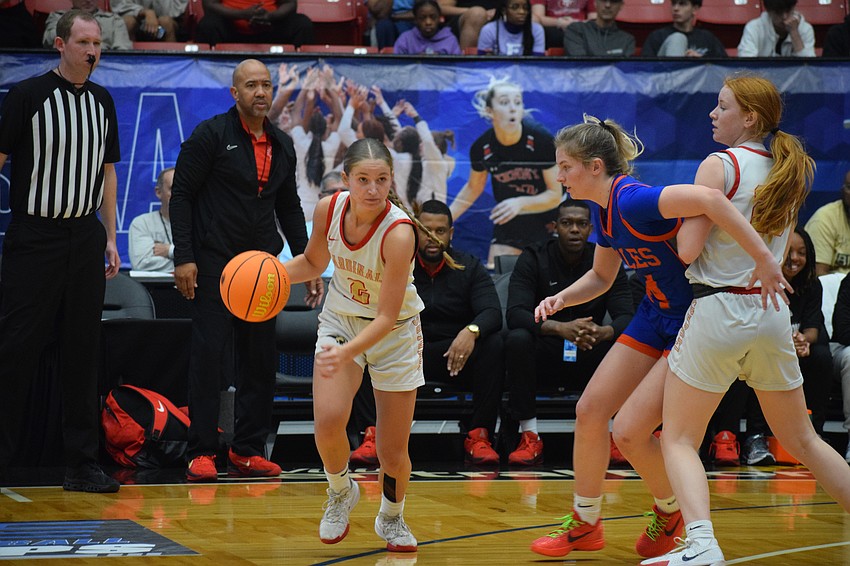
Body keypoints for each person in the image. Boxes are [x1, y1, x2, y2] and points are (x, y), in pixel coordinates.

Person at [529, 112, 789, 560]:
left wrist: (765, 259)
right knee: (590, 410)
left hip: (693, 317)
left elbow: (710, 198)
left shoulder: (633, 199)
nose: (559, 176)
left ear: (594, 166)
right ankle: (586, 523)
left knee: (630, 431)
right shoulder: (602, 208)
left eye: (565, 166)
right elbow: (600, 277)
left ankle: (671, 511)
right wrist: (562, 299)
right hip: (654, 314)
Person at [643, 76, 850, 566]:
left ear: (750, 117)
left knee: (677, 437)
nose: (713, 115)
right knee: (803, 438)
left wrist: (663, 227)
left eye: (722, 107)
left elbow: (689, 250)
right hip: (772, 311)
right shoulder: (787, 168)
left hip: (719, 307)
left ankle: (701, 542)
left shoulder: (719, 165)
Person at [282, 138, 443, 553]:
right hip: (341, 319)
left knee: (391, 452)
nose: (373, 189)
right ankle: (340, 492)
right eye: (363, 179)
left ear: (392, 180)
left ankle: (392, 516)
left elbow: (388, 317)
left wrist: (348, 352)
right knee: (328, 420)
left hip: (395, 332)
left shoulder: (399, 233)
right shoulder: (328, 210)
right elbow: (315, 263)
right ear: (346, 179)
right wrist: (273, 275)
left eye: (382, 179)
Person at [170, 59, 315, 483]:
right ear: (234, 93)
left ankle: (248, 449)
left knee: (259, 361)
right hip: (215, 264)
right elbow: (181, 196)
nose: (261, 92)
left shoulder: (282, 144)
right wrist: (184, 257)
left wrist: (308, 264)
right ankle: (201, 451)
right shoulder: (211, 135)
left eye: (267, 85)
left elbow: (289, 207)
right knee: (209, 359)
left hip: (262, 270)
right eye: (251, 85)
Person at [0, 9, 121, 493]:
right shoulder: (27, 95)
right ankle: (4, 458)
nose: (93, 51)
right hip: (34, 237)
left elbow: (109, 172)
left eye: (98, 44)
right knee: (15, 350)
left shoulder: (103, 101)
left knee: (83, 352)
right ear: (60, 44)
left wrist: (110, 237)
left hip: (84, 236)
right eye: (85, 42)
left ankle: (81, 464)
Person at [351, 199, 504, 466]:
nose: (433, 237)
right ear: (414, 231)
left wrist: (471, 330)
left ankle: (479, 435)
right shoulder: (397, 264)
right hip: (404, 355)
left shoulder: (468, 267)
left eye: (441, 231)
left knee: (494, 344)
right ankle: (372, 435)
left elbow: (492, 311)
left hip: (452, 359)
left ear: (451, 234)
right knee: (363, 343)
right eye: (426, 230)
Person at [505, 199, 634, 466]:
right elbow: (515, 312)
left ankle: (613, 436)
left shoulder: (606, 260)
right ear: (554, 227)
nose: (574, 229)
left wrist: (605, 331)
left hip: (590, 347)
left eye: (581, 224)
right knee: (517, 339)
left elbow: (627, 316)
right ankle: (529, 435)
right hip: (547, 350)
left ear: (590, 229)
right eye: (567, 223)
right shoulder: (533, 257)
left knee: (626, 344)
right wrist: (558, 328)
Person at [449, 77, 561, 267]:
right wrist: (445, 220)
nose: (512, 108)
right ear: (489, 111)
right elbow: (472, 188)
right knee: (498, 276)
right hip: (511, 223)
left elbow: (555, 194)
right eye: (504, 102)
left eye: (517, 102)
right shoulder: (482, 147)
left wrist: (520, 202)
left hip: (548, 219)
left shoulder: (541, 140)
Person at [278, 171, 345, 279]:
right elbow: (285, 270)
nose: (338, 197)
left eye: (344, 192)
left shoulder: (364, 231)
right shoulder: (303, 233)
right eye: (332, 192)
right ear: (321, 196)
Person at [194, 0, 314, 47]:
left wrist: (269, 16)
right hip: (231, 28)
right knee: (208, 25)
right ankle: (207, 78)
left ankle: (303, 78)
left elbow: (290, 3)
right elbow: (209, 4)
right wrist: (241, 14)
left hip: (271, 27)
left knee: (302, 24)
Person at [129, 167, 176, 272]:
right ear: (158, 192)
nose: (179, 194)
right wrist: (186, 266)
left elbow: (205, 260)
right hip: (154, 287)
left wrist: (170, 251)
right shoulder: (142, 223)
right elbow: (141, 264)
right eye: (173, 188)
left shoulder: (199, 223)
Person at [640, 0, 726, 58]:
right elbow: (645, 72)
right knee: (678, 38)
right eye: (674, 3)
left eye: (682, 4)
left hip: (699, 83)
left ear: (695, 9)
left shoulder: (708, 38)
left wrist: (701, 61)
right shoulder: (657, 36)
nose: (676, 8)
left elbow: (724, 69)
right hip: (666, 82)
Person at [804, 170, 850, 275]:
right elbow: (819, 275)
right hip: (834, 289)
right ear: (843, 191)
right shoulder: (824, 219)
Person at [737, 0, 815, 57]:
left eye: (788, 11)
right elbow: (746, 64)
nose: (784, 16)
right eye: (778, 12)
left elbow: (809, 69)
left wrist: (794, 33)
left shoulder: (806, 29)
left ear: (794, 7)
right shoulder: (753, 28)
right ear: (768, 11)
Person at [43, 0, 133, 50]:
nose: (88, 1)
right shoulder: (57, 17)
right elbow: (49, 41)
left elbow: (122, 54)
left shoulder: (114, 21)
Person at [562, 0, 634, 57]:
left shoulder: (627, 40)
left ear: (621, 6)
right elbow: (581, 66)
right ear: (595, 3)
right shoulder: (576, 30)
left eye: (614, 1)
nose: (607, 5)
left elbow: (624, 71)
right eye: (603, 0)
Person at [477, 0, 545, 56]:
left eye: (525, 8)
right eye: (515, 7)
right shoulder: (489, 30)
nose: (522, 12)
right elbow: (483, 65)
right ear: (504, 10)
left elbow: (537, 65)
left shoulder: (537, 30)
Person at [394, 0, 462, 54]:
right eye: (422, 18)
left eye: (433, 17)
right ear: (415, 20)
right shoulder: (405, 39)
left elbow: (457, 68)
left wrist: (440, 61)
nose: (428, 22)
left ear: (439, 18)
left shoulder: (450, 40)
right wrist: (417, 61)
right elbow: (397, 67)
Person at [110, 0, 185, 42]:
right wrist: (145, 12)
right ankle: (125, 65)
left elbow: (174, 11)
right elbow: (119, 5)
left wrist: (154, 18)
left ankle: (171, 66)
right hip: (135, 20)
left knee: (166, 22)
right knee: (127, 22)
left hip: (165, 25)